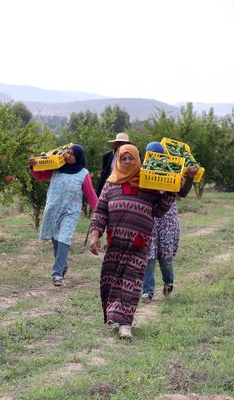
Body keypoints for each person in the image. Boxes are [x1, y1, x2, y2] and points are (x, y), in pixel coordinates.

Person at [88, 144, 178, 340]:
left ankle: (126, 324)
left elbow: (159, 210)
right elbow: (101, 211)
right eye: (124, 158)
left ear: (138, 160)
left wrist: (171, 191)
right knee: (111, 281)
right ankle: (115, 316)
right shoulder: (111, 184)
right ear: (118, 160)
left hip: (139, 243)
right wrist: (95, 235)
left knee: (132, 282)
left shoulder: (148, 184)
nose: (128, 161)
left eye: (131, 158)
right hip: (115, 243)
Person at [28, 144, 98, 286]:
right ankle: (62, 265)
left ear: (78, 157)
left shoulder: (83, 174)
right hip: (54, 209)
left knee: (64, 238)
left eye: (71, 154)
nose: (68, 156)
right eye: (67, 153)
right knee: (55, 239)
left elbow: (90, 195)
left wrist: (99, 211)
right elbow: (40, 175)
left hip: (70, 212)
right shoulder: (57, 168)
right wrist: (33, 166)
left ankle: (57, 274)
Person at [141, 141, 199, 302]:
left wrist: (190, 178)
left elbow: (183, 193)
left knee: (165, 254)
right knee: (149, 254)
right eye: (150, 154)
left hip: (167, 218)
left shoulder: (172, 172)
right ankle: (147, 291)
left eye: (157, 155)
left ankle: (168, 282)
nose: (153, 158)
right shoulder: (142, 172)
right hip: (149, 216)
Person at [96, 132, 132, 196]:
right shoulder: (108, 156)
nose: (122, 145)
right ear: (116, 143)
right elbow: (104, 174)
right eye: (120, 142)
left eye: (124, 143)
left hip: (127, 186)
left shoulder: (133, 156)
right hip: (111, 186)